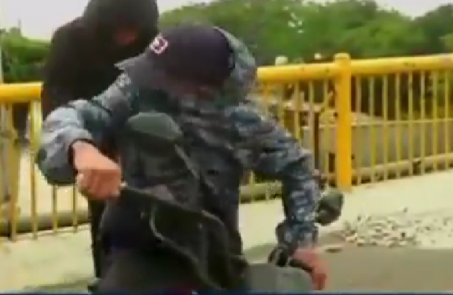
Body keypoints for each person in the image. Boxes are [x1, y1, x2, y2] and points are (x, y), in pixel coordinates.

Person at [37, 24, 327, 293]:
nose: (147, 83)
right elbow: (75, 115)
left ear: (200, 88)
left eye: (160, 78)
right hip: (139, 240)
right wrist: (80, 147)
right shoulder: (137, 91)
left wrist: (301, 242)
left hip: (213, 254)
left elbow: (298, 167)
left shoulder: (243, 122)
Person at [37, 0, 159, 280]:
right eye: (120, 26)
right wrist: (85, 148)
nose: (126, 35)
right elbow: (56, 102)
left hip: (148, 153)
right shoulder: (69, 40)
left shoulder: (155, 45)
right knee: (109, 238)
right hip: (93, 148)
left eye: (134, 28)